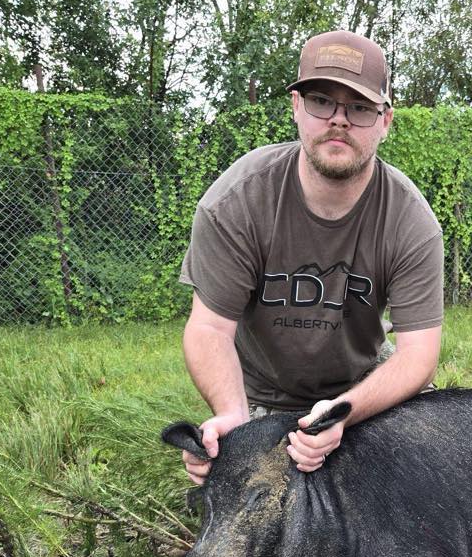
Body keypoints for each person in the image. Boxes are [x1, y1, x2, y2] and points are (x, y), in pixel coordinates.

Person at [177, 30, 444, 484]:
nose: (339, 120)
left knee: (430, 477)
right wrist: (232, 416)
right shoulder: (236, 202)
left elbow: (419, 355)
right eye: (322, 101)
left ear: (385, 121)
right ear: (296, 106)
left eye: (359, 107)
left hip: (363, 385)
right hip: (262, 394)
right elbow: (209, 329)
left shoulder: (411, 221)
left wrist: (345, 412)